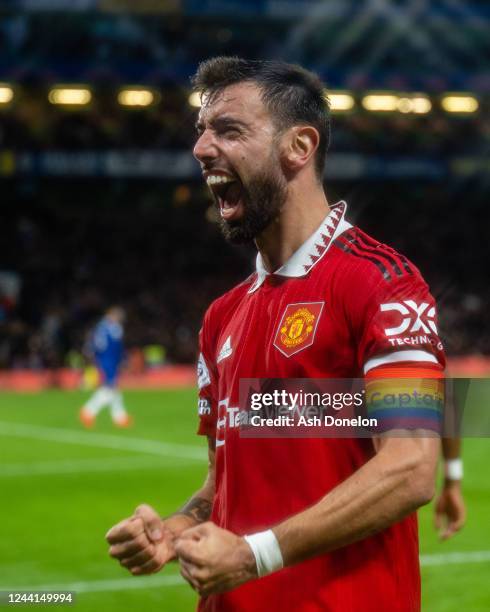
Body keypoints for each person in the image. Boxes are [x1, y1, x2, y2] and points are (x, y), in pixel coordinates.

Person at [106, 58, 464, 611]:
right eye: (201, 131)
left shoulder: (383, 284)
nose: (201, 149)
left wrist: (254, 556)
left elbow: (411, 468)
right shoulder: (221, 316)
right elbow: (223, 480)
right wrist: (176, 530)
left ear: (299, 146)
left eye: (228, 129)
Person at [79, 306, 132, 428]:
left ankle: (119, 417)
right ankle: (88, 411)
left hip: (112, 360)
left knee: (113, 389)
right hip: (107, 360)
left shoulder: (112, 327)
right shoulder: (105, 328)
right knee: (109, 388)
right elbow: (98, 345)